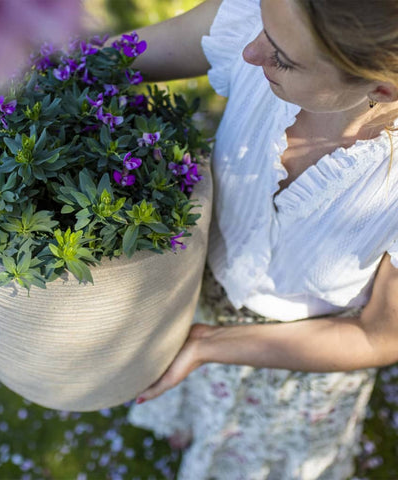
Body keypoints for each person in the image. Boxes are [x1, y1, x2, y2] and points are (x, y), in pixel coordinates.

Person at [124, 0, 398, 478]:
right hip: (198, 292)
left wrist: (210, 345)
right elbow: (108, 60)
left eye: (285, 59)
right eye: (264, 25)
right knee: (197, 407)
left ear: (381, 87)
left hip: (297, 359)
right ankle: (190, 425)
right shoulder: (272, 19)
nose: (251, 51)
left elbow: (379, 335)